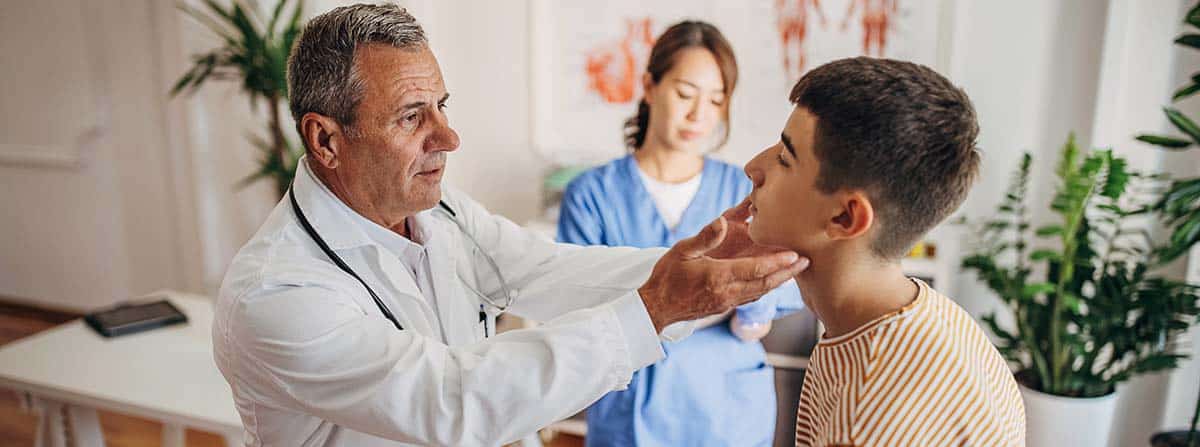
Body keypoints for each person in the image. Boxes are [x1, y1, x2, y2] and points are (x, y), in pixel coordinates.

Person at [211, 4, 809, 447]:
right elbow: (453, 401)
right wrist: (656, 306)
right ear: (325, 139)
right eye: (410, 116)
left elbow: (549, 271)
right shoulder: (278, 294)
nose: (447, 138)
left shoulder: (440, 213)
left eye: (441, 106)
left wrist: (691, 265)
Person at [740, 57, 1025, 446]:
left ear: (844, 216)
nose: (753, 167)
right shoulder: (931, 319)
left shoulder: (867, 420)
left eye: (784, 159)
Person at [557, 21, 803, 447]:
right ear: (650, 87)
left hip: (728, 411)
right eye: (685, 94)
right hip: (629, 407)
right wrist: (716, 294)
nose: (698, 115)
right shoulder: (592, 194)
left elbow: (792, 275)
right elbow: (575, 302)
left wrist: (753, 306)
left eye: (715, 100)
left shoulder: (745, 187)